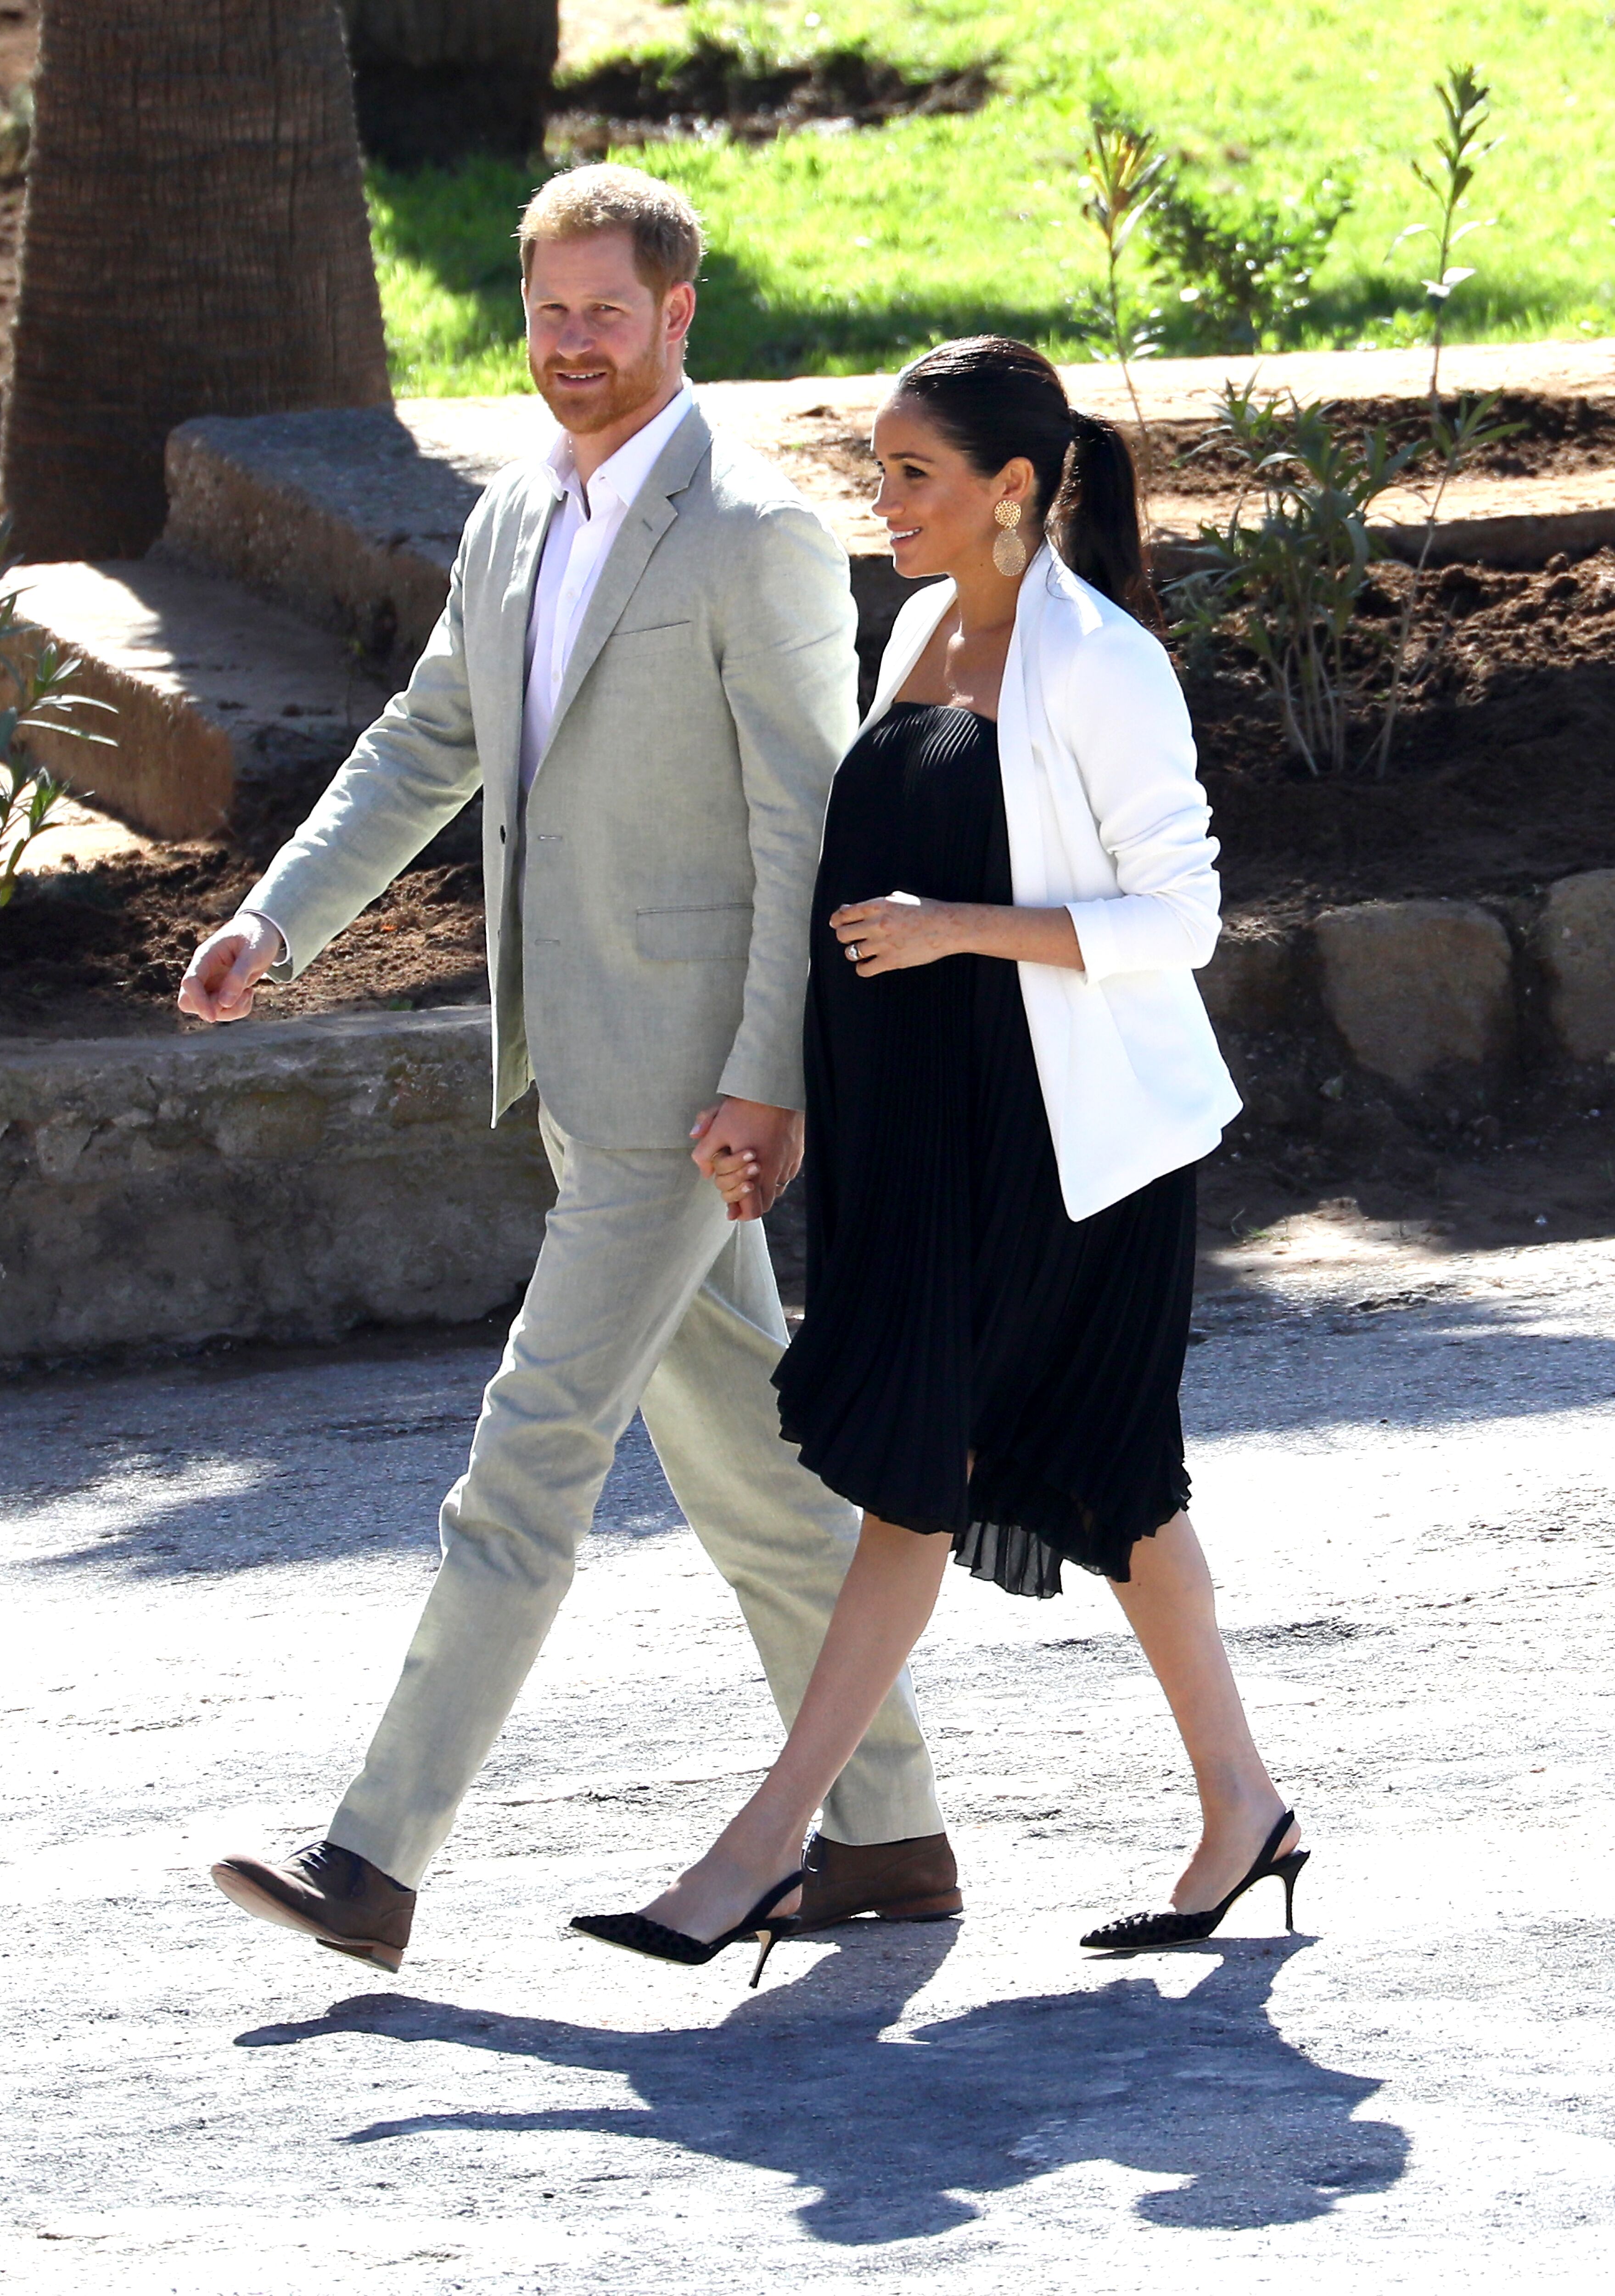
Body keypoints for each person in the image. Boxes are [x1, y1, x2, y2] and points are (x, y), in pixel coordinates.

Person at [178, 165, 959, 1975]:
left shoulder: (753, 530)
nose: (576, 347)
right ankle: (892, 1828)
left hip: (692, 1094)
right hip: (583, 1068)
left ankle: (373, 1856)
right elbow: (430, 733)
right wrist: (278, 919)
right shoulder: (517, 512)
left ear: (682, 316)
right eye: (550, 315)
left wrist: (772, 1081)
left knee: (527, 1453)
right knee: (765, 1479)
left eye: (610, 313)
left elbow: (809, 830)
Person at [571, 337, 1307, 1985]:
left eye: (912, 475)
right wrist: (796, 1110)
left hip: (1061, 1151)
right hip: (919, 1143)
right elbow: (852, 919)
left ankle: (763, 1853)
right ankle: (1242, 1807)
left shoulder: (1099, 661)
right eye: (879, 470)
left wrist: (957, 930)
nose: (880, 501)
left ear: (1015, 488)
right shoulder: (916, 632)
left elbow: (1179, 916)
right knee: (1115, 1486)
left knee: (922, 1472)